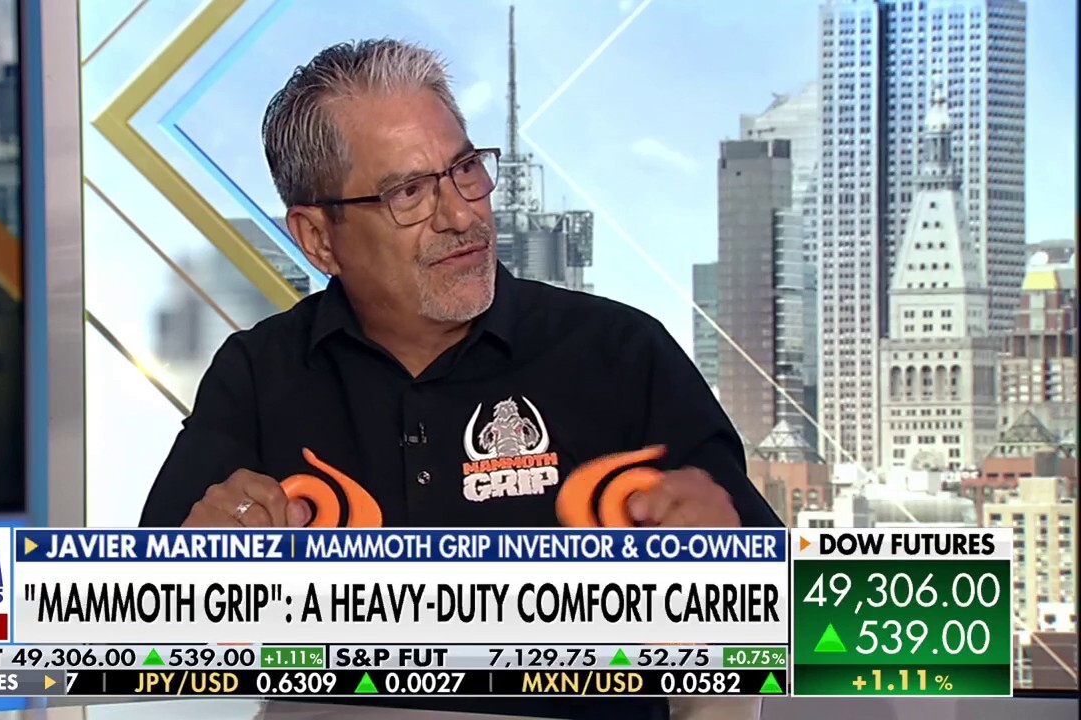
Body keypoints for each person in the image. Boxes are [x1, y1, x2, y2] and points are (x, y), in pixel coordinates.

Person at [142, 39, 778, 720]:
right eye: (409, 193)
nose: (463, 215)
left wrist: (736, 572)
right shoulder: (258, 374)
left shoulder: (620, 354)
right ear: (319, 238)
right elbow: (142, 635)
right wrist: (198, 574)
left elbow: (798, 627)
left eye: (466, 170)